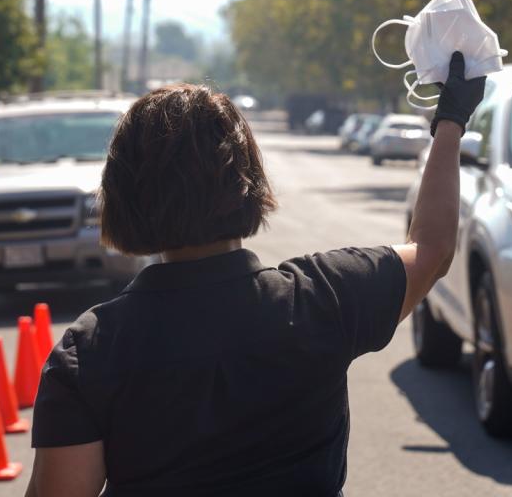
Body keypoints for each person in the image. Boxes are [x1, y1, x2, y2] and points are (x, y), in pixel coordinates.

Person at [25, 52, 485, 497]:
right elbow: (433, 249)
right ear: (247, 179)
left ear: (123, 193)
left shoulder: (90, 350)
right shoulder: (324, 297)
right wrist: (451, 121)